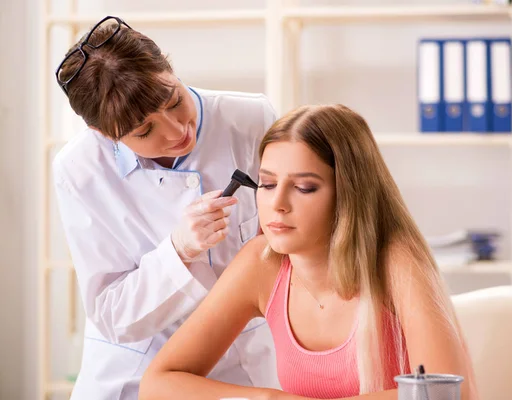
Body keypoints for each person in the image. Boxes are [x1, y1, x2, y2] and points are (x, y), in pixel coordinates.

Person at [139, 104, 480, 400]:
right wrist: (268, 398)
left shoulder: (396, 261)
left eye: (304, 187)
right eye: (268, 184)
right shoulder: (261, 263)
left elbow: (446, 394)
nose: (278, 204)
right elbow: (158, 384)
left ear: (349, 194)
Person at [53, 15, 279, 400]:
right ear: (106, 135)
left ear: (171, 70)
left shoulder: (251, 119)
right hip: (135, 369)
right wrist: (179, 251)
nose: (178, 131)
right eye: (144, 131)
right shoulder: (79, 170)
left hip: (243, 363)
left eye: (174, 100)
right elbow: (110, 314)